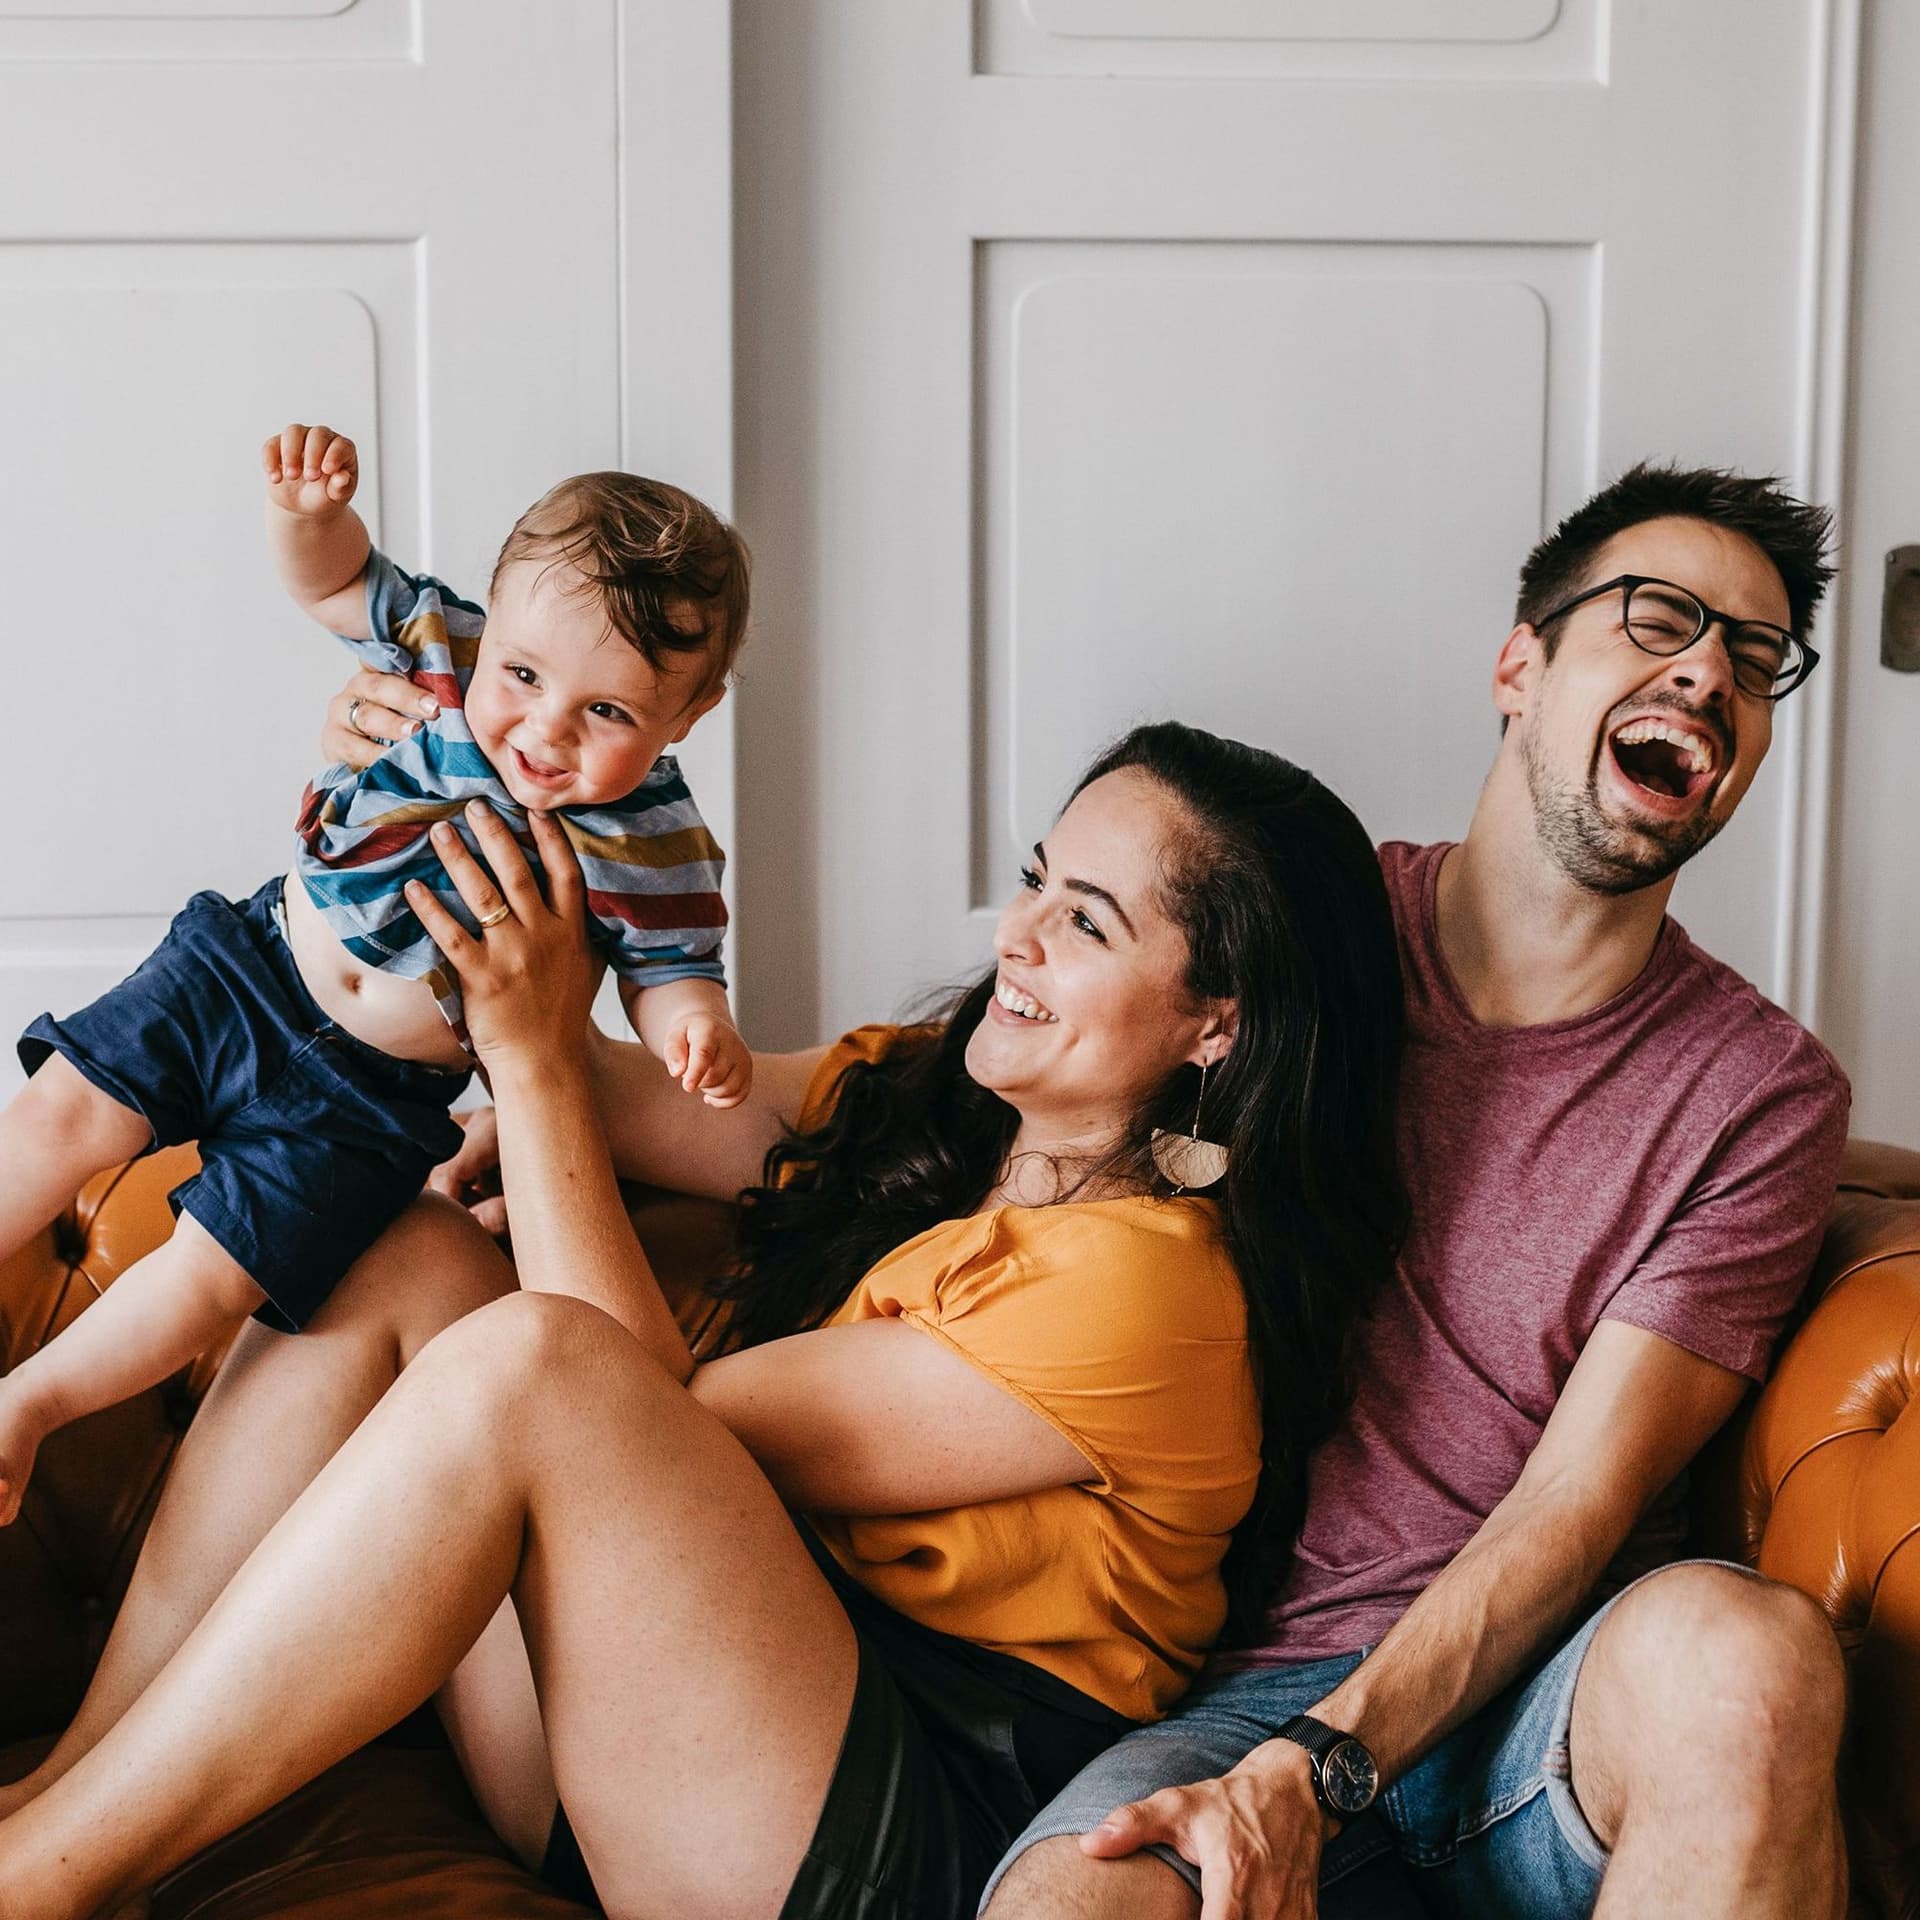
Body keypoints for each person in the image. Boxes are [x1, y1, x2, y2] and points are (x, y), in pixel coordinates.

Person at [0, 721, 1409, 1920]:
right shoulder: (939, 1099)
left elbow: (636, 1414)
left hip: (875, 1833)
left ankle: (39, 1880)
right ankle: (78, 1789)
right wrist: (440, 795)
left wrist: (533, 1069)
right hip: (643, 1736)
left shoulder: (1157, 1291)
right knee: (409, 1248)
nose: (1014, 936)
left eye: (1086, 923)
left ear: (1219, 1023)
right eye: (1037, 878)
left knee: (545, 1365)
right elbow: (599, 1068)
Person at [981, 465, 1855, 1920]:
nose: (1710, 674)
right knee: (1072, 1906)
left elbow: (1576, 1499)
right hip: (1235, 1695)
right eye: (1659, 620)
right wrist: (607, 1048)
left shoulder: (1760, 1096)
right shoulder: (1308, 932)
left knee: (1743, 1656)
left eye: (1756, 660)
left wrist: (1328, 1763)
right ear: (1520, 667)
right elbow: (962, 1064)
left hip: (1547, 1714)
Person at [0, 422, 748, 1529]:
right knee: (64, 1113)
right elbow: (336, 583)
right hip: (248, 968)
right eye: (524, 674)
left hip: (372, 1100)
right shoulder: (445, 651)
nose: (544, 730)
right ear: (492, 628)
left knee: (215, 1271)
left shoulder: (658, 838)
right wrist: (307, 517)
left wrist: (694, 1023)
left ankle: (27, 1405)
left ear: (689, 714)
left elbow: (670, 962)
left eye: (608, 711)